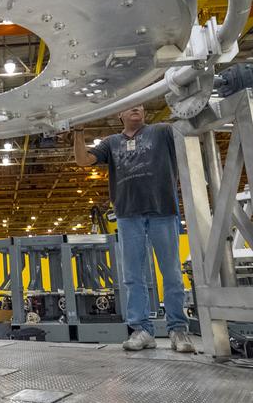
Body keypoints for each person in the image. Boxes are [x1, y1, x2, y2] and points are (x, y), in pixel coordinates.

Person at [74, 105, 193, 353]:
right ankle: (142, 330)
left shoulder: (162, 132)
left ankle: (178, 330)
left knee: (171, 274)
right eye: (129, 106)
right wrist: (78, 131)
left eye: (141, 104)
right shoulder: (111, 143)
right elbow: (83, 160)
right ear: (119, 114)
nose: (137, 107)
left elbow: (190, 130)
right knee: (132, 277)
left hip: (163, 210)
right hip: (128, 215)